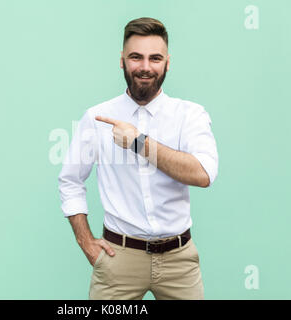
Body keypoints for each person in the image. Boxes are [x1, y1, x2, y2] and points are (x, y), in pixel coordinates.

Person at [58, 17, 219, 300]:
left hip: (179, 261)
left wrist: (138, 142)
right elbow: (70, 181)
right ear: (122, 60)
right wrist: (87, 243)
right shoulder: (96, 118)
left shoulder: (189, 115)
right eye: (136, 57)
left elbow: (203, 174)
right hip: (118, 260)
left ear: (167, 62)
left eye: (155, 58)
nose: (145, 67)